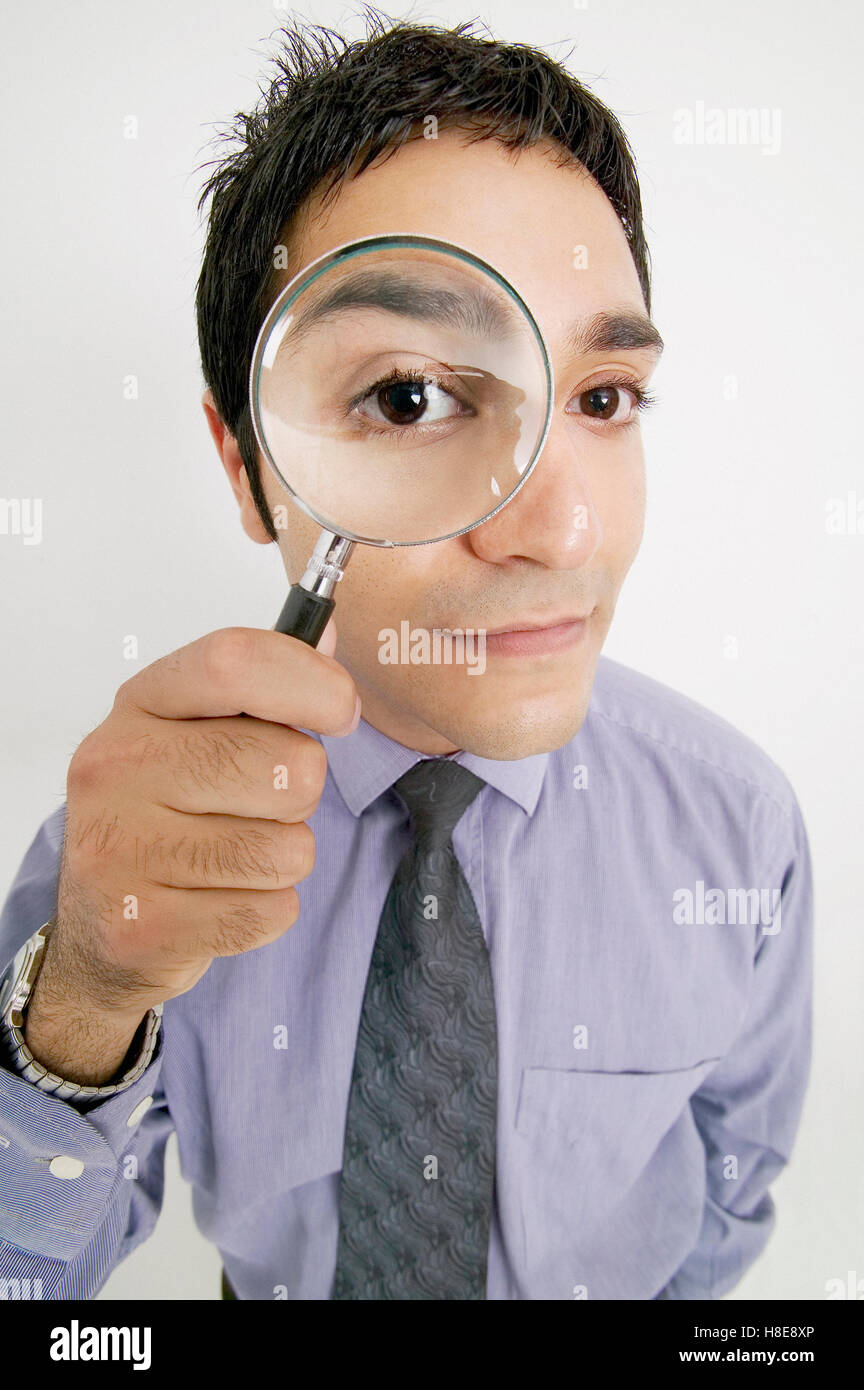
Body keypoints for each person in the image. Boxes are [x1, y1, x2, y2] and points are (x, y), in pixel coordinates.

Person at [0, 12, 811, 1301]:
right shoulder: (121, 869)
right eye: (407, 397)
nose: (563, 532)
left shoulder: (741, 826)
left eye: (603, 399)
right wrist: (86, 1004)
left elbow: (735, 1185)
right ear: (249, 469)